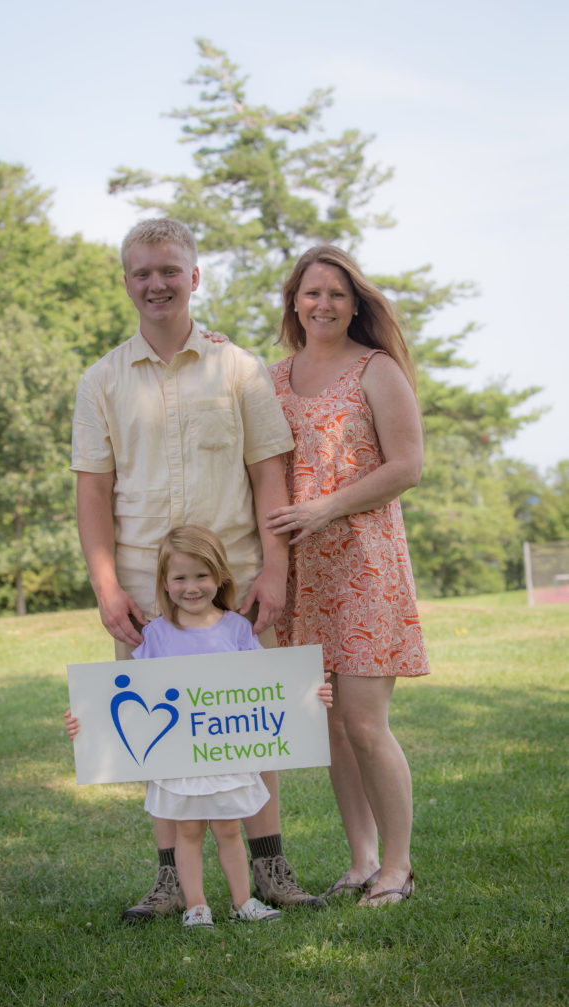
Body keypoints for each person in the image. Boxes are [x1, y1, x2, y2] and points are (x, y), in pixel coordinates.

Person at [70, 217, 326, 920]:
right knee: (154, 731)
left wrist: (273, 572)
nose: (156, 283)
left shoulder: (238, 369)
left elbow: (268, 473)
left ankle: (269, 867)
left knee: (252, 726)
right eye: (142, 272)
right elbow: (92, 489)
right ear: (126, 282)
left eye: (169, 270)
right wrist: (105, 586)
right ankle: (167, 881)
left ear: (194, 276)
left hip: (235, 584)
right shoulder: (101, 381)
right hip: (146, 594)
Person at [265, 245, 430, 907]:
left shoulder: (375, 369)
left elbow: (407, 465)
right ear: (293, 304)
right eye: (310, 293)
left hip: (364, 565)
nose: (322, 304)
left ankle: (397, 867)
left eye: (335, 293)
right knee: (328, 724)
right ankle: (360, 859)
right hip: (302, 572)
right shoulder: (272, 377)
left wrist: (326, 506)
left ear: (354, 302)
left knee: (364, 722)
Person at [66, 526, 334, 928]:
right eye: (180, 578)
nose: (191, 587)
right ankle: (195, 906)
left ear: (220, 577)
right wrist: (86, 723)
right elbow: (131, 696)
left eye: (201, 576)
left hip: (225, 755)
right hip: (181, 760)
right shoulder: (155, 636)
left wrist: (308, 700)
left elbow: (264, 688)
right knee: (188, 832)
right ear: (164, 583)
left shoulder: (238, 629)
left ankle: (243, 902)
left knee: (228, 829)